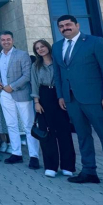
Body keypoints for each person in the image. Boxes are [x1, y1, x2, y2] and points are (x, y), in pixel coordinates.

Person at [53, 15, 103, 195]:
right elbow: (58, 73)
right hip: (71, 100)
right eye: (61, 26)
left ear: (77, 25)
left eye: (68, 24)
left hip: (95, 99)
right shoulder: (57, 47)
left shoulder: (94, 42)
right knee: (83, 136)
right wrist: (61, 96)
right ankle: (89, 171)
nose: (65, 28)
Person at [31, 39, 75, 178]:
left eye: (42, 46)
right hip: (44, 96)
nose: (40, 49)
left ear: (48, 47)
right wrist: (36, 102)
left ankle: (67, 166)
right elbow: (34, 84)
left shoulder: (58, 61)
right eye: (37, 48)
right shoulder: (36, 65)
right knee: (47, 133)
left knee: (64, 131)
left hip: (59, 95)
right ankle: (51, 166)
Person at [0, 31, 40, 168]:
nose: (6, 42)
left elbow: (27, 75)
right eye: (3, 40)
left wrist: (12, 86)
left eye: (8, 39)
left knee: (28, 125)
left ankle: (34, 156)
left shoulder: (22, 54)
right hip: (5, 95)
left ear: (13, 40)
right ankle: (16, 153)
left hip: (21, 94)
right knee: (11, 125)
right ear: (0, 41)